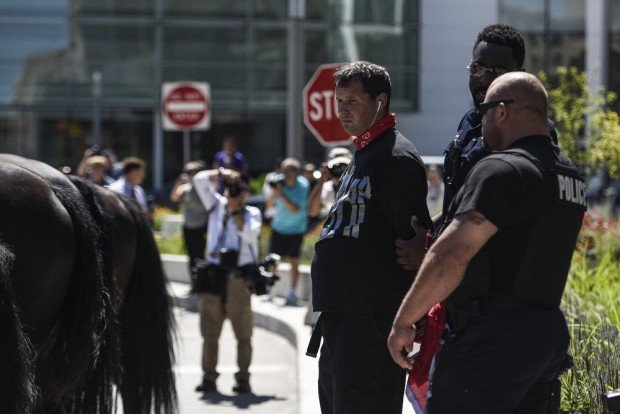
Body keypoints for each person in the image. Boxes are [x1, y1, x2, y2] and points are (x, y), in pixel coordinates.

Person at [388, 72, 587, 413]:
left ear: (503, 111)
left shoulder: (501, 169)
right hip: (545, 334)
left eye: (484, 112)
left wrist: (404, 321)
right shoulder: (568, 174)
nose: (480, 124)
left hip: (491, 341)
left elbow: (452, 254)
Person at [308, 61, 432, 414]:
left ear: (380, 101)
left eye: (352, 101)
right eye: (339, 101)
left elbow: (414, 245)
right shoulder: (363, 152)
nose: (342, 110)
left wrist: (408, 319)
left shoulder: (396, 158)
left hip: (373, 323)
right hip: (341, 319)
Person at [395, 23, 558, 271]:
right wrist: (425, 233)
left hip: (495, 287)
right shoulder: (470, 122)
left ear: (520, 74)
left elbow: (495, 216)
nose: (484, 80)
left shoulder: (531, 130)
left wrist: (430, 251)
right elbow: (457, 207)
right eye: (478, 67)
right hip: (455, 288)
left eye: (498, 71)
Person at [192, 168, 262, 394]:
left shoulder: (252, 213)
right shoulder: (216, 205)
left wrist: (236, 212)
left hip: (238, 280)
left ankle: (243, 378)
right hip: (213, 277)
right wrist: (222, 173)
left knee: (243, 334)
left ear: (247, 193)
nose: (236, 194)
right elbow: (199, 179)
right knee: (209, 333)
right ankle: (208, 377)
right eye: (234, 189)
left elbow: (249, 235)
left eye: (241, 190)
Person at [266, 157, 309, 306]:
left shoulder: (303, 185)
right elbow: (269, 205)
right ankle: (270, 290)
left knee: (294, 260)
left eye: (290, 170)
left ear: (297, 172)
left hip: (296, 229)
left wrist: (281, 193)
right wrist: (274, 192)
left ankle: (292, 292)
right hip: (279, 227)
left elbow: (295, 208)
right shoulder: (278, 182)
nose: (286, 173)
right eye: (284, 170)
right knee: (273, 260)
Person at [170, 160, 209, 273]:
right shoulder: (185, 188)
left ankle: (202, 281)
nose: (189, 174)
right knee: (191, 255)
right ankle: (194, 280)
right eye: (187, 171)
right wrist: (179, 181)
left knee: (201, 254)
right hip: (188, 225)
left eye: (192, 171)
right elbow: (173, 197)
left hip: (202, 225)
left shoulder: (205, 187)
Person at [307, 148, 353, 219]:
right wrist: (322, 180)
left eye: (345, 167)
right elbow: (312, 212)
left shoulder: (358, 185)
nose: (341, 171)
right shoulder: (326, 187)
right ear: (329, 168)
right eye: (336, 167)